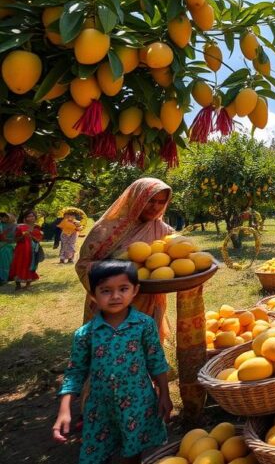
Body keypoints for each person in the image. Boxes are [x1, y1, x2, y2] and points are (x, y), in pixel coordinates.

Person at [53, 260, 172, 464]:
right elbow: (75, 372)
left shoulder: (144, 325)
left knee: (132, 452)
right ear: (93, 295)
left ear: (135, 290)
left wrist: (164, 394)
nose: (115, 296)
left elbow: (156, 361)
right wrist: (64, 409)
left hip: (138, 403)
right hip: (100, 409)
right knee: (97, 454)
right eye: (106, 290)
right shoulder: (86, 334)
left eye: (123, 289)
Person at [76, 178, 174, 340]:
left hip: (148, 302)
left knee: (145, 348)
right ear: (137, 199)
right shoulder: (107, 229)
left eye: (161, 202)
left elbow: (175, 260)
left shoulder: (162, 229)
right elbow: (83, 265)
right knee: (111, 351)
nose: (155, 207)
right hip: (111, 304)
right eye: (150, 201)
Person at [10, 210, 43, 290]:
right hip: (21, 249)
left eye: (32, 216)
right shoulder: (20, 227)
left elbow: (39, 240)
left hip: (33, 250)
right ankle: (17, 285)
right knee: (18, 264)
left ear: (35, 217)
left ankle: (28, 285)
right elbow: (15, 239)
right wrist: (23, 236)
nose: (31, 218)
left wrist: (31, 236)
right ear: (25, 218)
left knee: (31, 265)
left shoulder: (37, 227)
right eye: (28, 216)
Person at [0, 212, 15, 283]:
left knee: (9, 261)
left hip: (10, 246)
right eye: (2, 217)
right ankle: (3, 277)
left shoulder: (13, 226)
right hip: (2, 246)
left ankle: (9, 276)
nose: (4, 218)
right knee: (3, 262)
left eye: (6, 217)